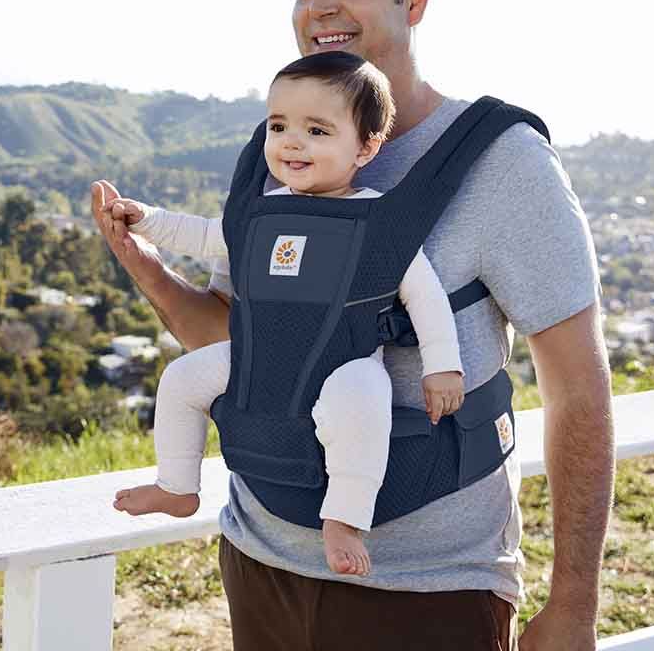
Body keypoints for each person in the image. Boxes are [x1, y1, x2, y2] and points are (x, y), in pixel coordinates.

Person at [93, 0, 614, 651]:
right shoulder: (281, 155)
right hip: (262, 557)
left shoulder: (502, 164)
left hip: (431, 589)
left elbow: (578, 388)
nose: (321, 6)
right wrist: (150, 272)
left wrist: (574, 603)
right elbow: (243, 344)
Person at [111, 50, 467, 578]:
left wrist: (443, 367)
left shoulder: (376, 222)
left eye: (317, 131)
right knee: (182, 378)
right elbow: (206, 236)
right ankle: (177, 486)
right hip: (259, 360)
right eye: (278, 126)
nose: (291, 142)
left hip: (344, 363)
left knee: (363, 402)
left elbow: (426, 296)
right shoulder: (264, 212)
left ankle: (344, 519)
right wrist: (146, 220)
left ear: (366, 147)